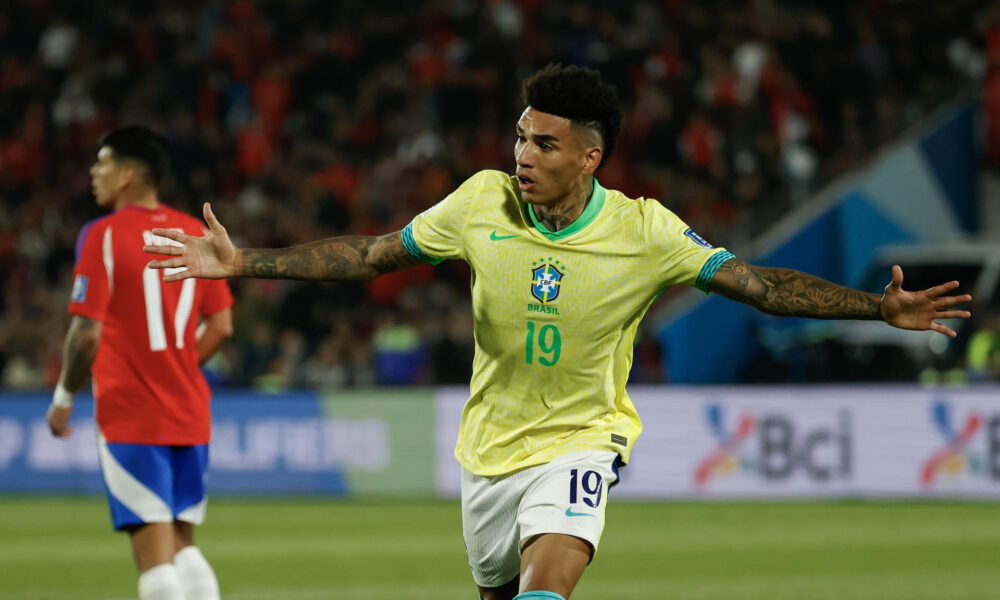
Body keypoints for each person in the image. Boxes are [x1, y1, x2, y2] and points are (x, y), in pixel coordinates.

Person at [145, 64, 972, 600]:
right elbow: (368, 256)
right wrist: (245, 263)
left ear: (590, 157)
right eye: (518, 136)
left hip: (582, 441)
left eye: (543, 143)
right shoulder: (479, 204)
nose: (522, 155)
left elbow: (759, 287)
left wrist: (878, 308)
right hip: (489, 452)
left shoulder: (646, 230)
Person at [48, 126, 234, 600]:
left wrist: (64, 397)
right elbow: (222, 325)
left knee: (154, 559)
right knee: (183, 545)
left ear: (128, 175)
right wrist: (176, 366)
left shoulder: (102, 235)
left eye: (103, 163)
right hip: (190, 411)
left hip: (132, 415)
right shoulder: (193, 229)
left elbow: (86, 333)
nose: (94, 172)